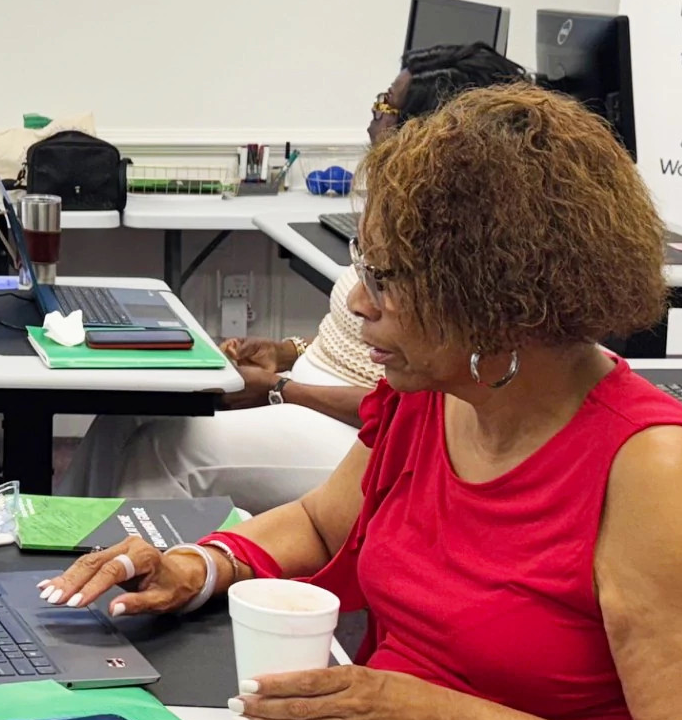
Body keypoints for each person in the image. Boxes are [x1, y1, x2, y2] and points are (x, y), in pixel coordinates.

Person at [42, 85, 682, 720]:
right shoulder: (439, 394)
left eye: (387, 280)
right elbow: (324, 521)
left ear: (497, 295)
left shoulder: (657, 477)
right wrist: (205, 564)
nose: (360, 303)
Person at [61, 42, 529, 512]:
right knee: (123, 415)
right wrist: (288, 352)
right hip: (311, 395)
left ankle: (148, 577)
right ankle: (53, 551)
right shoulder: (400, 206)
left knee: (166, 453)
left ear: (429, 130)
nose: (373, 119)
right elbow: (364, 340)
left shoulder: (461, 254)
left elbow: (412, 406)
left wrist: (281, 391)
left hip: (362, 432)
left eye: (387, 107)